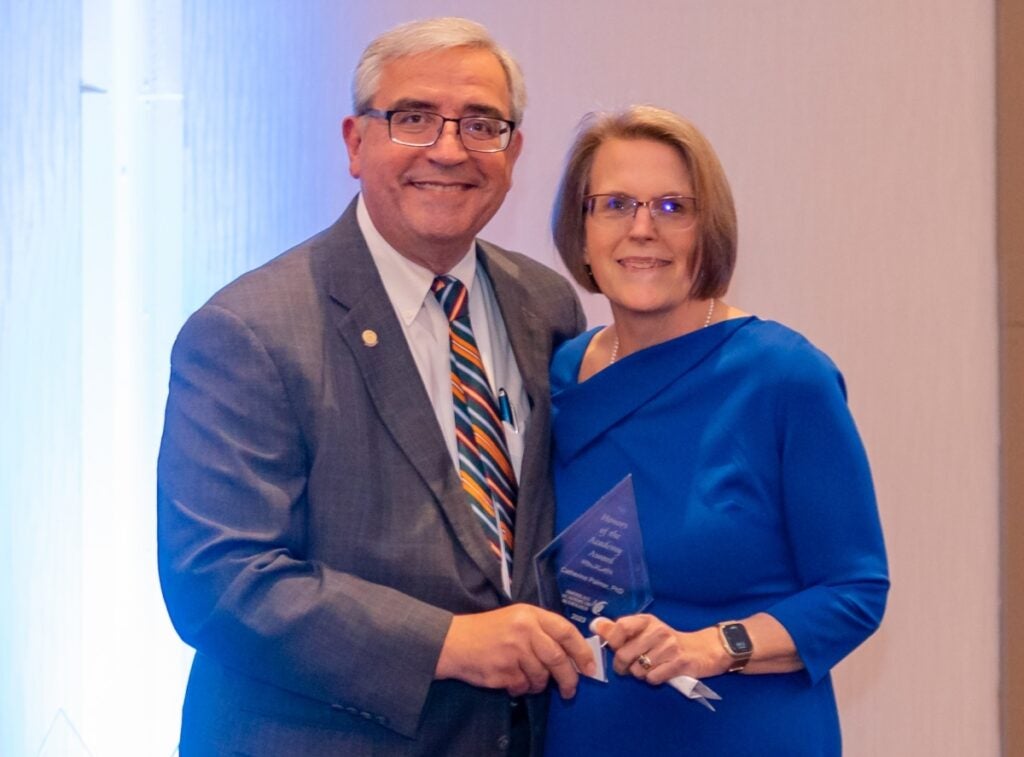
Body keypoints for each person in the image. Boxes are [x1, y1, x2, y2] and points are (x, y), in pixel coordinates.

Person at [157, 17, 594, 757]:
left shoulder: (546, 306)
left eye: (481, 124)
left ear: (513, 153)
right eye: (414, 118)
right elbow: (220, 580)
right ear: (356, 143)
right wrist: (449, 643)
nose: (449, 150)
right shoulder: (248, 330)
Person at [543, 105, 889, 755]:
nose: (642, 229)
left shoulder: (784, 376)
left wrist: (709, 645)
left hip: (744, 732)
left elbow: (855, 590)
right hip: (586, 734)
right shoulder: (561, 374)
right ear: (580, 229)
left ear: (711, 230)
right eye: (615, 203)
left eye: (673, 207)